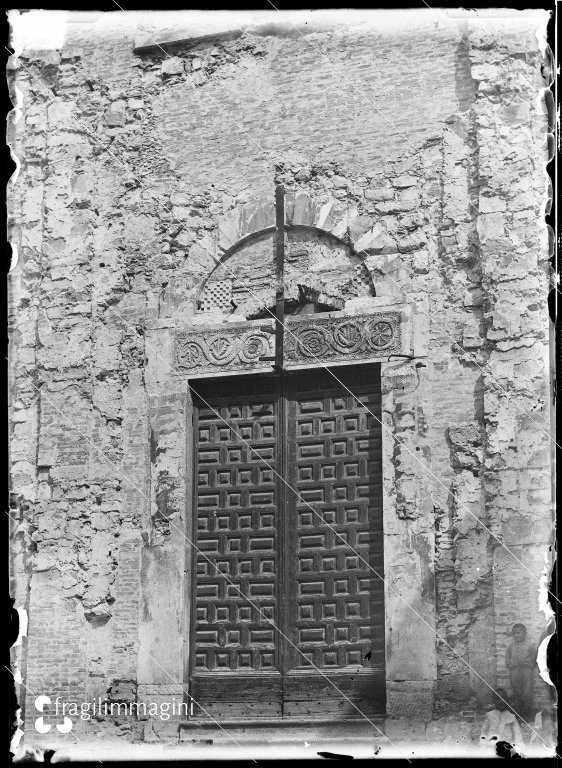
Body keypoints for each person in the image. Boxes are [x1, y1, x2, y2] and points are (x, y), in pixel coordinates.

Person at [505, 623, 536, 721]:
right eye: (514, 633)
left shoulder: (530, 646)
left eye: (518, 633)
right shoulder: (511, 646)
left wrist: (527, 664)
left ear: (525, 634)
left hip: (526, 671)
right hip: (515, 671)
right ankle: (519, 714)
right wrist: (511, 664)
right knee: (516, 691)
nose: (516, 635)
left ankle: (527, 715)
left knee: (527, 691)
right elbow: (507, 659)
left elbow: (534, 659)